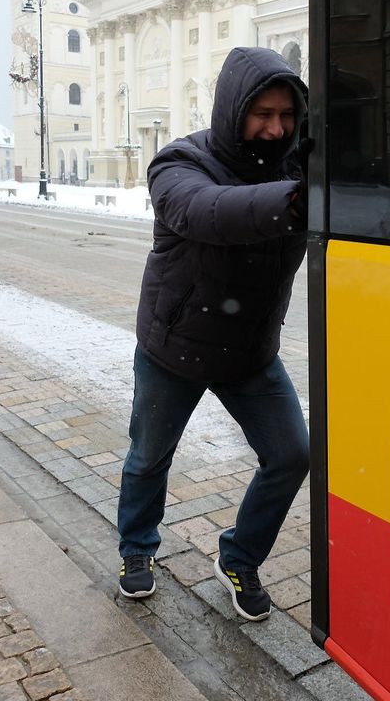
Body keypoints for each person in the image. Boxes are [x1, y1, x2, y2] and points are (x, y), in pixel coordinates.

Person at [117, 47, 310, 622]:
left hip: (250, 352)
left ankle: (240, 557)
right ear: (234, 109)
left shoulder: (295, 165)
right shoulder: (179, 163)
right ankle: (135, 549)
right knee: (150, 456)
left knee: (293, 455)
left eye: (287, 116)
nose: (276, 129)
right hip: (173, 346)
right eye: (263, 114)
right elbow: (209, 211)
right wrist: (299, 201)